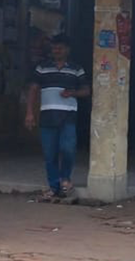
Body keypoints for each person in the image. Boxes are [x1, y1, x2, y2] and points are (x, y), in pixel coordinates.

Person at [24, 33, 90, 200]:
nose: (56, 51)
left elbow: (86, 91)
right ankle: (54, 187)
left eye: (60, 48)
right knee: (50, 154)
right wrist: (30, 112)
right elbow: (33, 90)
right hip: (47, 115)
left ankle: (65, 178)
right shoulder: (42, 67)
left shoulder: (76, 69)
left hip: (68, 116)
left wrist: (73, 93)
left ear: (68, 50)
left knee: (68, 149)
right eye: (54, 48)